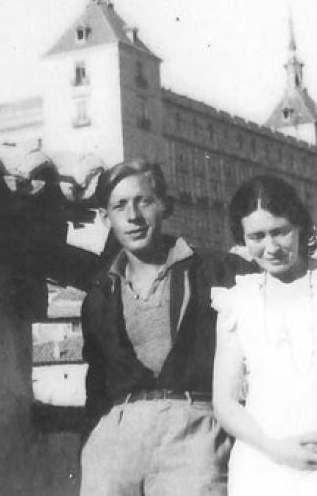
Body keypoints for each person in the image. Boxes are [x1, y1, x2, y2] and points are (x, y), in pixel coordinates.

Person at [79, 158, 254, 495]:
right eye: (119, 206)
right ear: (105, 217)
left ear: (164, 206)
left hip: (194, 430)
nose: (133, 216)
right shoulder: (100, 294)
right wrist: (91, 447)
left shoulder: (215, 269)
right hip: (115, 441)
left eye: (143, 201)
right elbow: (96, 385)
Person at [212, 175, 317, 496]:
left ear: (300, 225)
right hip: (263, 466)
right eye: (257, 236)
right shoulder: (238, 301)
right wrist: (274, 448)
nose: (271, 247)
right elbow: (225, 402)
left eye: (280, 231)